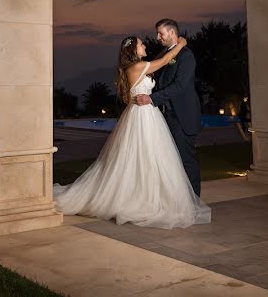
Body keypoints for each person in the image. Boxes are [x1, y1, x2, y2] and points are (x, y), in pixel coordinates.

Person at [53, 34, 211, 229]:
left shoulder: (136, 66)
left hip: (145, 114)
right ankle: (141, 198)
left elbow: (156, 62)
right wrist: (181, 44)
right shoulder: (137, 67)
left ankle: (148, 193)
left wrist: (170, 48)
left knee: (148, 156)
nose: (145, 45)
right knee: (144, 155)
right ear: (133, 50)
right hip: (143, 116)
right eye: (141, 44)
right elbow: (162, 61)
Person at [134, 19, 202, 196]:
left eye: (160, 33)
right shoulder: (164, 54)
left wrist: (151, 98)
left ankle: (193, 203)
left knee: (186, 161)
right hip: (164, 117)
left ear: (172, 33)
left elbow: (180, 86)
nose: (157, 37)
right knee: (170, 162)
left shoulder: (186, 55)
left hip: (181, 116)